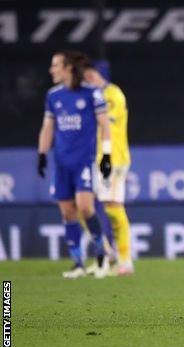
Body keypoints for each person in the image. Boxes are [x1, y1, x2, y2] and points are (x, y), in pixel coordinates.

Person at [37, 50, 112, 279]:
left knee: (86, 207)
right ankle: (78, 263)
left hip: (84, 161)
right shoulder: (53, 95)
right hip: (61, 162)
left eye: (55, 65)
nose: (51, 70)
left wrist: (106, 155)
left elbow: (105, 124)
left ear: (68, 68)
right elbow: (48, 127)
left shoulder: (92, 93)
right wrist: (42, 153)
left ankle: (102, 256)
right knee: (68, 211)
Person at [81, 58, 134, 276]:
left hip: (112, 159)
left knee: (113, 208)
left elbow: (105, 123)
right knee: (82, 206)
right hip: (94, 158)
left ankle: (125, 261)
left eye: (88, 76)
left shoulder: (113, 94)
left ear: (96, 75)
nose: (86, 80)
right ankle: (106, 252)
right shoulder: (90, 95)